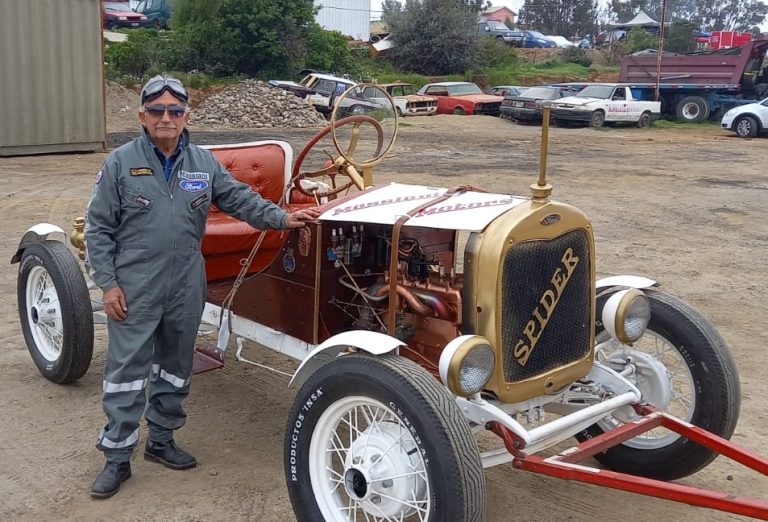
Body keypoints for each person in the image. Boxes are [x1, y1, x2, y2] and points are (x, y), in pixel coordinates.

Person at [85, 74, 319, 498]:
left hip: (186, 283)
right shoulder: (120, 162)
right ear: (142, 116)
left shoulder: (202, 163)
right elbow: (98, 229)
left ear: (186, 116)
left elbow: (241, 201)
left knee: (176, 366)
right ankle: (116, 458)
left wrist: (283, 218)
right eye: (157, 110)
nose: (166, 118)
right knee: (126, 372)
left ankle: (161, 441)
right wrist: (108, 284)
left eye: (175, 110)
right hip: (134, 284)